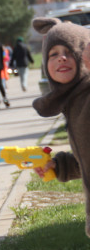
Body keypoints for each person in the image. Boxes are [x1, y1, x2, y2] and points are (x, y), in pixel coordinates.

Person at [30, 17, 90, 237]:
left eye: (69, 51)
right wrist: (58, 165)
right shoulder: (75, 100)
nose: (61, 58)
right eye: (53, 54)